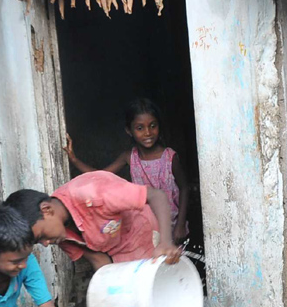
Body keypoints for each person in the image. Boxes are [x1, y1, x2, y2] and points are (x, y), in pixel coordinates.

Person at [4, 172, 182, 307]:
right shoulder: (60, 232)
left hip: (139, 235)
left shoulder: (94, 194)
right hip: (106, 246)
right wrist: (113, 292)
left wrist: (165, 241)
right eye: (40, 242)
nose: (47, 244)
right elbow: (98, 260)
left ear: (47, 210)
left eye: (42, 237)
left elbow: (157, 196)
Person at [63, 98, 192, 244]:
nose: (148, 132)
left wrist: (181, 225)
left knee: (175, 264)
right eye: (140, 128)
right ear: (129, 130)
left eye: (153, 126)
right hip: (145, 228)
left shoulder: (169, 157)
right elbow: (101, 176)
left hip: (172, 227)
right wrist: (74, 160)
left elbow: (184, 188)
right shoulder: (129, 157)